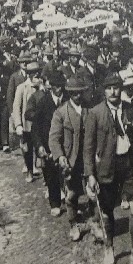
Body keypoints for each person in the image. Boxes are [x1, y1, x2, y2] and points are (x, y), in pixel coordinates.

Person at [84, 72, 133, 264]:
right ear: (104, 91)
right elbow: (88, 147)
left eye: (116, 88)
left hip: (129, 163)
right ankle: (109, 247)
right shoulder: (95, 113)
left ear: (121, 89)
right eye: (109, 88)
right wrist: (90, 175)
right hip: (106, 166)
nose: (113, 92)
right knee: (106, 211)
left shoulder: (130, 109)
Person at [50, 75, 91, 242]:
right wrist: (60, 156)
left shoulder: (90, 109)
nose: (78, 96)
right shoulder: (61, 112)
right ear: (69, 94)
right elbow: (54, 138)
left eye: (80, 92)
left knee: (93, 192)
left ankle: (95, 223)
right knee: (72, 194)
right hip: (71, 159)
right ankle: (73, 223)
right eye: (74, 93)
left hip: (88, 156)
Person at [27, 70, 66, 216]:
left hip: (66, 142)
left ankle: (70, 200)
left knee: (68, 172)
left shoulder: (68, 100)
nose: (58, 89)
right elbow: (35, 127)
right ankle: (55, 202)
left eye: (60, 86)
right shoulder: (44, 102)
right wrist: (39, 146)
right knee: (51, 174)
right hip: (48, 142)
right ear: (51, 87)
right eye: (55, 86)